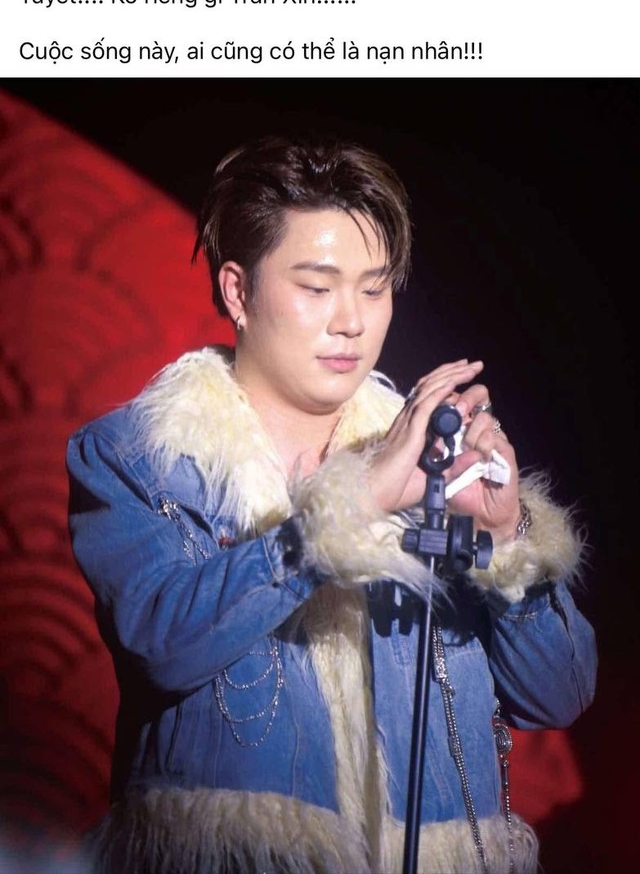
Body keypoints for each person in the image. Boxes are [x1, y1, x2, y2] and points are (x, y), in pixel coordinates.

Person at [66, 136, 596, 874]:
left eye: (373, 290)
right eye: (317, 288)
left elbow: (559, 695)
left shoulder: (434, 460)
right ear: (237, 292)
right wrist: (347, 511)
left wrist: (507, 536)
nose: (351, 320)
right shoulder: (139, 456)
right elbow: (160, 642)